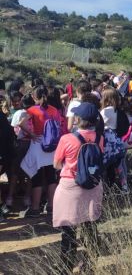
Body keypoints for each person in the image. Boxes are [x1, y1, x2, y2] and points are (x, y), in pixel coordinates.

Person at [52, 102, 103, 273]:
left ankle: (66, 267)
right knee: (90, 228)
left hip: (70, 187)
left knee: (68, 232)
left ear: (78, 119)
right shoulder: (99, 138)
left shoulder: (67, 139)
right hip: (93, 186)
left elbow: (57, 163)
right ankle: (88, 266)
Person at [21, 85, 62, 218]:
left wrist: (31, 134)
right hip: (51, 146)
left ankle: (34, 209)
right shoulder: (54, 110)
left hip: (38, 144)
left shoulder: (32, 110)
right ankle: (51, 207)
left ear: (34, 97)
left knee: (36, 178)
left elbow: (21, 124)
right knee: (51, 177)